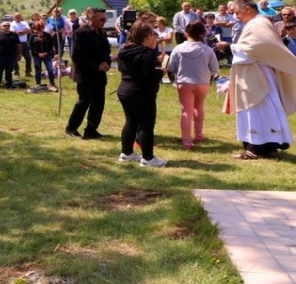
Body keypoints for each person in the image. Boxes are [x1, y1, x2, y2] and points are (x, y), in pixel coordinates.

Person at [217, 0, 296, 159]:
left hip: (257, 77)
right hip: (254, 74)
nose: (236, 16)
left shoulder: (258, 24)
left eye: (237, 12)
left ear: (247, 9)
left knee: (256, 110)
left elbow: (253, 50)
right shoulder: (257, 23)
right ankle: (266, 147)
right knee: (262, 111)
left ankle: (256, 149)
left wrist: (228, 47)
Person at [115, 23, 166, 167]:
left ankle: (126, 153)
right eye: (153, 36)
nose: (155, 39)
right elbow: (147, 76)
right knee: (146, 125)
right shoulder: (145, 54)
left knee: (131, 122)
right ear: (147, 36)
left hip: (125, 90)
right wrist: (160, 72)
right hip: (140, 93)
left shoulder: (125, 50)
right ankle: (148, 159)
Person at [167, 21, 219, 149]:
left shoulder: (178, 49)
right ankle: (199, 134)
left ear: (186, 33)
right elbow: (214, 69)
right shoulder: (208, 50)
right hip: (202, 82)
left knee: (186, 111)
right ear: (203, 33)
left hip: (184, 82)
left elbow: (171, 67)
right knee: (199, 107)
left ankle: (186, 141)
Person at [65, 8, 112, 139]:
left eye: (105, 19)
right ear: (91, 19)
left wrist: (106, 63)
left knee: (99, 102)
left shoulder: (102, 33)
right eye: (102, 19)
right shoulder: (80, 33)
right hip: (84, 74)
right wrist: (96, 66)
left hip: (99, 74)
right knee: (84, 101)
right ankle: (71, 127)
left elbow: (106, 52)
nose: (104, 21)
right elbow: (77, 56)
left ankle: (91, 129)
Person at [0, 21, 21, 90]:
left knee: (9, 71)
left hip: (11, 56)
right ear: (1, 27)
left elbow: (18, 45)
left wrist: (19, 55)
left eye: (8, 26)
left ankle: (9, 84)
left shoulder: (14, 35)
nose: (7, 27)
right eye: (5, 25)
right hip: (0, 56)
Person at [28, 21, 56, 88]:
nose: (40, 29)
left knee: (50, 69)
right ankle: (38, 84)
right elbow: (30, 46)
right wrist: (38, 53)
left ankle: (52, 83)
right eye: (38, 28)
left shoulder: (47, 35)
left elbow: (51, 44)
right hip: (36, 56)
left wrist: (47, 52)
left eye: (41, 27)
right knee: (38, 70)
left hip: (47, 55)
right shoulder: (32, 36)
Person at [10, 13, 32, 77]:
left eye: (19, 17)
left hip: (24, 42)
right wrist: (24, 32)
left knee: (28, 58)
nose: (18, 18)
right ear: (14, 17)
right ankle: (16, 71)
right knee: (15, 58)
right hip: (15, 43)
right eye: (17, 17)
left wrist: (20, 32)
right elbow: (13, 33)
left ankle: (28, 71)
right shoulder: (11, 24)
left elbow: (29, 31)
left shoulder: (24, 23)